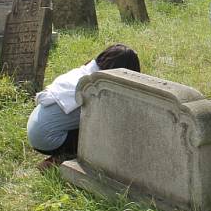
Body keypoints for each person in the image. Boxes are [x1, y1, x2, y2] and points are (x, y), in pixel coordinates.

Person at [27, 43, 140, 171]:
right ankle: (59, 160)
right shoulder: (96, 90)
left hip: (34, 129)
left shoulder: (84, 72)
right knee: (103, 132)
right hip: (46, 139)